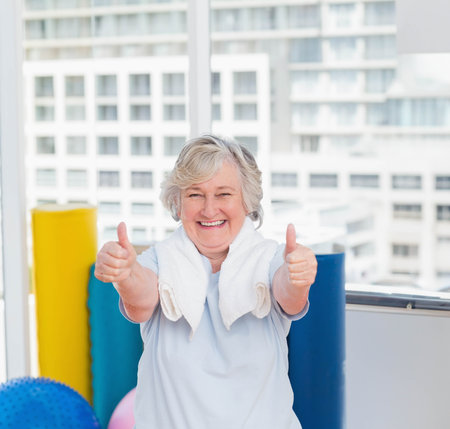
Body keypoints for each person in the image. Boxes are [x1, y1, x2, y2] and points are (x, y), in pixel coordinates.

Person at [94, 135, 317, 429]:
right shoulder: (160, 259)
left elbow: (288, 296)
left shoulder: (269, 259)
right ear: (178, 201)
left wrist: (297, 277)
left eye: (223, 194)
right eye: (195, 194)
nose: (209, 210)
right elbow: (141, 300)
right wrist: (125, 274)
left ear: (247, 201)